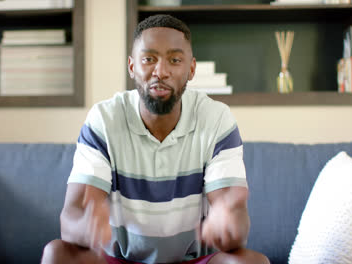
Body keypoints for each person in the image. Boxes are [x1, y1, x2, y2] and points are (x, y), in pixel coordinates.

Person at [41, 14, 270, 264]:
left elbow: (234, 223)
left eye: (174, 59)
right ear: (132, 67)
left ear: (191, 68)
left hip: (192, 261)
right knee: (57, 254)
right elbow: (71, 216)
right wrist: (86, 227)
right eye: (149, 59)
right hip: (118, 260)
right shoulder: (104, 119)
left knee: (250, 262)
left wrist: (229, 225)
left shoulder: (216, 119)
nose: (160, 71)